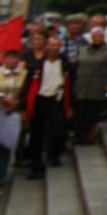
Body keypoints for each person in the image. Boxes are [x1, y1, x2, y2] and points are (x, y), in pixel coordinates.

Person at [22, 34, 73, 179]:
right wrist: (24, 108)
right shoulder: (37, 66)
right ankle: (36, 166)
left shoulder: (66, 65)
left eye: (57, 45)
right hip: (39, 100)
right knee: (36, 135)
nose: (54, 48)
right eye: (51, 45)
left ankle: (54, 154)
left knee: (58, 131)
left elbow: (71, 86)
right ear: (46, 46)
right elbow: (27, 86)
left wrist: (70, 106)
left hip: (56, 100)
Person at [73, 27, 107, 143]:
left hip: (98, 86)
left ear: (103, 37)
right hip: (82, 85)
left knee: (93, 114)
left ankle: (90, 136)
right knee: (81, 112)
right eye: (94, 36)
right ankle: (81, 134)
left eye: (98, 36)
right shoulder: (84, 50)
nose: (96, 38)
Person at [0, 49, 26, 187]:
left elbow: (25, 92)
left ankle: (0, 173)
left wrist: (16, 105)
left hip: (13, 113)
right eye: (10, 57)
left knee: (7, 143)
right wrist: (4, 100)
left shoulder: (23, 74)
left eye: (16, 58)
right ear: (5, 59)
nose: (13, 60)